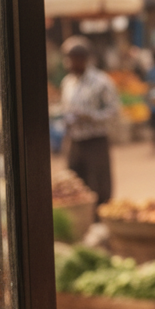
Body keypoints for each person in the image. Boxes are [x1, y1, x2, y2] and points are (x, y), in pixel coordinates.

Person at [59, 36, 119, 205]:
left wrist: (90, 116)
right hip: (74, 140)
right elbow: (65, 109)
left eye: (71, 59)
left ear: (82, 59)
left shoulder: (101, 82)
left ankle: (100, 221)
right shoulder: (68, 82)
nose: (68, 63)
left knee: (98, 183)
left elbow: (114, 112)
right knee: (75, 184)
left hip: (95, 141)